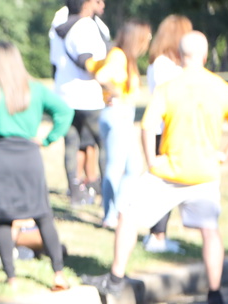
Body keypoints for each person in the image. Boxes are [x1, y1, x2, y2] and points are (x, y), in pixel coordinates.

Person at [83, 32, 228, 304]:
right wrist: (224, 154)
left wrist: (152, 161)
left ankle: (116, 278)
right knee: (210, 231)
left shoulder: (168, 88)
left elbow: (148, 125)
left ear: (179, 55)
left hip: (170, 171)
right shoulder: (221, 88)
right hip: (205, 172)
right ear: (204, 55)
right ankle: (215, 293)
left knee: (128, 214)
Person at [0, 41, 73, 290]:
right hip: (28, 156)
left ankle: (11, 278)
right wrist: (49, 139)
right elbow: (65, 112)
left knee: (3, 219)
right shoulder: (35, 90)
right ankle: (58, 274)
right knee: (43, 215)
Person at [88, 20, 152, 230]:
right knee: (115, 167)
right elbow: (100, 76)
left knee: (133, 167)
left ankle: (120, 210)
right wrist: (114, 92)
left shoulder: (125, 57)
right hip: (117, 115)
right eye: (146, 37)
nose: (148, 41)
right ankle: (110, 216)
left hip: (122, 116)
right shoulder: (118, 56)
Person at [142, 14, 193, 253]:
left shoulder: (163, 63)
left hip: (167, 131)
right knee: (163, 186)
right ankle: (157, 236)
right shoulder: (164, 65)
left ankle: (159, 234)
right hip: (165, 132)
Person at [53, 0, 109, 207]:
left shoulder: (61, 24)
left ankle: (75, 193)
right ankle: (106, 193)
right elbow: (86, 61)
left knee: (71, 144)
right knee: (103, 143)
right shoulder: (85, 25)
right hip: (88, 96)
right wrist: (109, 78)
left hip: (65, 95)